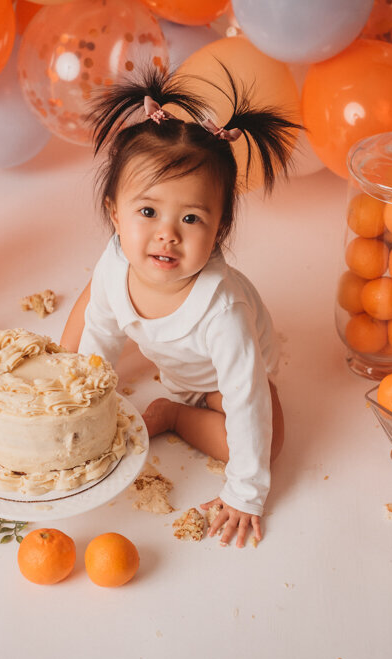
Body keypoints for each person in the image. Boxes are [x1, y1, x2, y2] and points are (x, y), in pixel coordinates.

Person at [61, 69, 299, 548]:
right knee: (96, 296)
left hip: (220, 382)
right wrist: (83, 404)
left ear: (221, 228)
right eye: (147, 212)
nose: (168, 233)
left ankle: (173, 414)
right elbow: (102, 337)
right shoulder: (117, 259)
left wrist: (244, 492)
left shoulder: (222, 311)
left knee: (264, 443)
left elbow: (247, 397)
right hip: (173, 355)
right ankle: (60, 369)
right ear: (114, 213)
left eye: (191, 218)